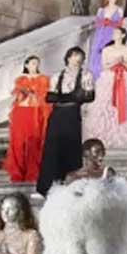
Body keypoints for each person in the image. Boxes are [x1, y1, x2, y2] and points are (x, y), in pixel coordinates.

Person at [36, 48, 94, 196]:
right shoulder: (58, 76)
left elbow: (90, 96)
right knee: (53, 148)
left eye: (80, 57)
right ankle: (48, 185)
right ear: (68, 58)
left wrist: (69, 98)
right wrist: (66, 98)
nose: (76, 59)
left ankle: (70, 183)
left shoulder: (86, 75)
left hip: (72, 114)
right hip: (57, 115)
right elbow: (50, 97)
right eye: (74, 56)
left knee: (72, 148)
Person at [2, 56, 51, 184]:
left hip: (35, 113)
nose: (35, 65)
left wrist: (34, 93)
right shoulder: (20, 79)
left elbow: (45, 96)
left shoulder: (43, 79)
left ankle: (33, 172)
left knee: (33, 142)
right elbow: (17, 97)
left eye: (37, 63)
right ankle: (17, 172)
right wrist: (22, 92)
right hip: (21, 113)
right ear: (27, 65)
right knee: (18, 143)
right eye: (33, 63)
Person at [85, 26, 127, 148]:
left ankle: (119, 133)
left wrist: (123, 62)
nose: (114, 35)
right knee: (104, 105)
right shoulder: (107, 49)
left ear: (123, 35)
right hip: (108, 78)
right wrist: (115, 62)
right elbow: (104, 66)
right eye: (114, 33)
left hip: (122, 78)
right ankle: (102, 133)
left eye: (117, 33)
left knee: (120, 105)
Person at [86, 0, 124, 78]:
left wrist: (110, 23)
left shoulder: (119, 10)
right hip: (101, 33)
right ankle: (94, 72)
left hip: (111, 33)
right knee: (97, 51)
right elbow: (96, 23)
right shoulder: (101, 10)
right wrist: (103, 22)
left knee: (108, 51)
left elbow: (120, 24)